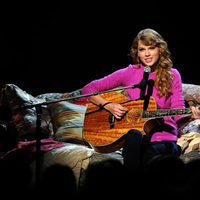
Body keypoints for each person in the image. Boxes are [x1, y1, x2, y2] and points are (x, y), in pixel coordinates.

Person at [81, 28, 188, 172]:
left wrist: (191, 115)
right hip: (136, 135)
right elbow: (88, 89)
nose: (147, 54)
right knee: (133, 137)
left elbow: (178, 112)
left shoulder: (173, 75)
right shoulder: (129, 73)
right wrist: (108, 105)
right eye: (142, 49)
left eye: (151, 48)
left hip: (163, 136)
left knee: (151, 154)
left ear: (160, 49)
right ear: (136, 52)